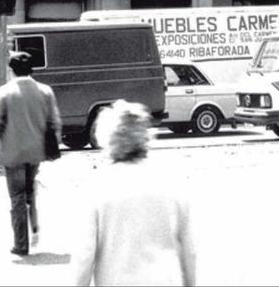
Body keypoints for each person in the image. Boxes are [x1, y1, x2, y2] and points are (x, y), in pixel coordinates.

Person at [70, 100, 196, 286]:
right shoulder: (170, 182)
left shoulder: (97, 188)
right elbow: (188, 250)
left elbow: (84, 257)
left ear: (106, 138)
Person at [0, 51, 62, 256]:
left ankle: (21, 243)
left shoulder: (4, 92)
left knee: (16, 197)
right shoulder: (46, 91)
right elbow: (54, 122)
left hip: (12, 152)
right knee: (29, 190)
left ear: (11, 69)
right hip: (37, 151)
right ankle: (34, 226)